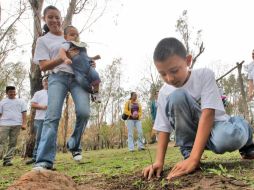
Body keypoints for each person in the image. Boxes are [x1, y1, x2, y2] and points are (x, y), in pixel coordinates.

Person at [143, 37, 254, 180]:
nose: (169, 78)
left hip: (216, 126)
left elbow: (208, 114)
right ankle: (188, 153)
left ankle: (242, 126)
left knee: (227, 139)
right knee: (177, 96)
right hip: (192, 135)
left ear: (188, 61)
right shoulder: (165, 92)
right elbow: (163, 128)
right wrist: (159, 161)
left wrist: (194, 160)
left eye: (174, 70)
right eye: (163, 74)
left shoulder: (204, 75)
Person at [32, 5, 91, 170]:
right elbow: (43, 66)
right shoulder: (43, 41)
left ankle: (73, 143)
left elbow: (82, 57)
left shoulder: (70, 37)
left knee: (84, 112)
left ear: (61, 18)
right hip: (57, 77)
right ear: (45, 19)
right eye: (50, 17)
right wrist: (62, 58)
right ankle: (44, 161)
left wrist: (89, 63)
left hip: (78, 78)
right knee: (52, 117)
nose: (54, 20)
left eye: (57, 17)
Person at [59, 25, 101, 103]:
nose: (75, 36)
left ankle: (96, 94)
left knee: (96, 76)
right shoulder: (68, 44)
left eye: (77, 35)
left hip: (88, 67)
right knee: (82, 82)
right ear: (65, 37)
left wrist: (94, 58)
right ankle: (90, 92)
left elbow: (86, 57)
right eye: (72, 35)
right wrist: (66, 58)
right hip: (78, 70)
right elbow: (61, 52)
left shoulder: (82, 46)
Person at [0, 86, 27, 166]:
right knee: (1, 141)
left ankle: (7, 160)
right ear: (7, 93)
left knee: (13, 143)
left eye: (13, 91)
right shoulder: (2, 102)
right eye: (10, 92)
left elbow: (24, 113)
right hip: (4, 124)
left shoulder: (21, 101)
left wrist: (24, 123)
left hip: (17, 124)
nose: (12, 93)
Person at [25, 76, 48, 165]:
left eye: (48, 81)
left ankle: (46, 158)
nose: (47, 82)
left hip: (51, 119)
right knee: (39, 139)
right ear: (42, 83)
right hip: (40, 119)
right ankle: (35, 157)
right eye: (45, 81)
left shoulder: (55, 93)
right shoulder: (38, 93)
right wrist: (42, 107)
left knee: (49, 139)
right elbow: (33, 105)